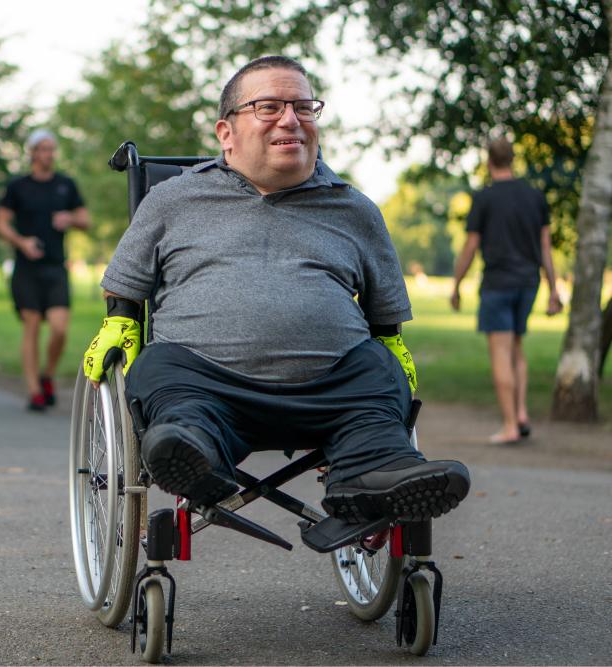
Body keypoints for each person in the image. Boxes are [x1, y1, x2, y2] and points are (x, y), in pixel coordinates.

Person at [82, 55, 470, 524]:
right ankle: (193, 460)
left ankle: (373, 476)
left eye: (304, 108)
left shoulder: (354, 208)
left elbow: (384, 316)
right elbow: (126, 287)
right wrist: (119, 322)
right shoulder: (173, 198)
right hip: (205, 383)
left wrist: (391, 353)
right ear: (226, 133)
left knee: (378, 376)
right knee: (164, 377)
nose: (291, 119)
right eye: (268, 107)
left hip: (335, 388)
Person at [451, 136, 562, 444]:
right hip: (529, 283)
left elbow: (471, 246)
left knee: (501, 352)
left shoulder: (484, 198)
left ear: (489, 161)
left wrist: (456, 284)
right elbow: (545, 247)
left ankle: (511, 425)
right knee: (516, 346)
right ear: (513, 159)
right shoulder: (534, 196)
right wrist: (554, 289)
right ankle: (522, 411)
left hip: (498, 283)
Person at [0, 129, 91, 411]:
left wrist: (69, 218)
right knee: (32, 326)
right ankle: (35, 391)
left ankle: (47, 374)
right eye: (43, 149)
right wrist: (21, 242)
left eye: (52, 149)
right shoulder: (18, 186)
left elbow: (85, 220)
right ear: (33, 153)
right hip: (26, 269)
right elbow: (0, 222)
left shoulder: (66, 185)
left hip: (55, 267)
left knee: (60, 329)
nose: (48, 154)